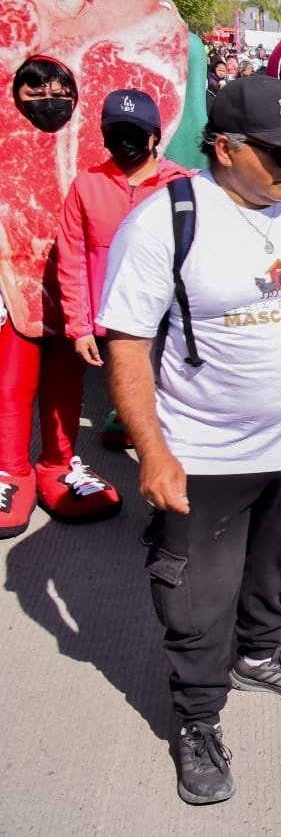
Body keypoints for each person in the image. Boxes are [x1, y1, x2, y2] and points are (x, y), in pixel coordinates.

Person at [97, 75, 281, 805]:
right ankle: (196, 720)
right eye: (278, 154)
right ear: (224, 147)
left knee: (280, 569)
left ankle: (260, 655)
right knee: (194, 602)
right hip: (206, 456)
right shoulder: (165, 222)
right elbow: (124, 346)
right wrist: (152, 453)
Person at [0, 58, 125, 534]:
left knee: (65, 380)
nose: (48, 98)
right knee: (13, 378)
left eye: (59, 89)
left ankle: (58, 463)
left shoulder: (91, 149)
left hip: (73, 285)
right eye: (35, 90)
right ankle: (10, 468)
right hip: (14, 278)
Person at [54, 90, 194, 512]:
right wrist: (79, 326)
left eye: (134, 133)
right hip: (114, 324)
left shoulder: (182, 185)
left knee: (171, 415)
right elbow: (72, 257)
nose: (124, 141)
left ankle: (173, 503)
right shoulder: (86, 184)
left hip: (168, 324)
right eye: (114, 132)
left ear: (154, 136)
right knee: (131, 398)